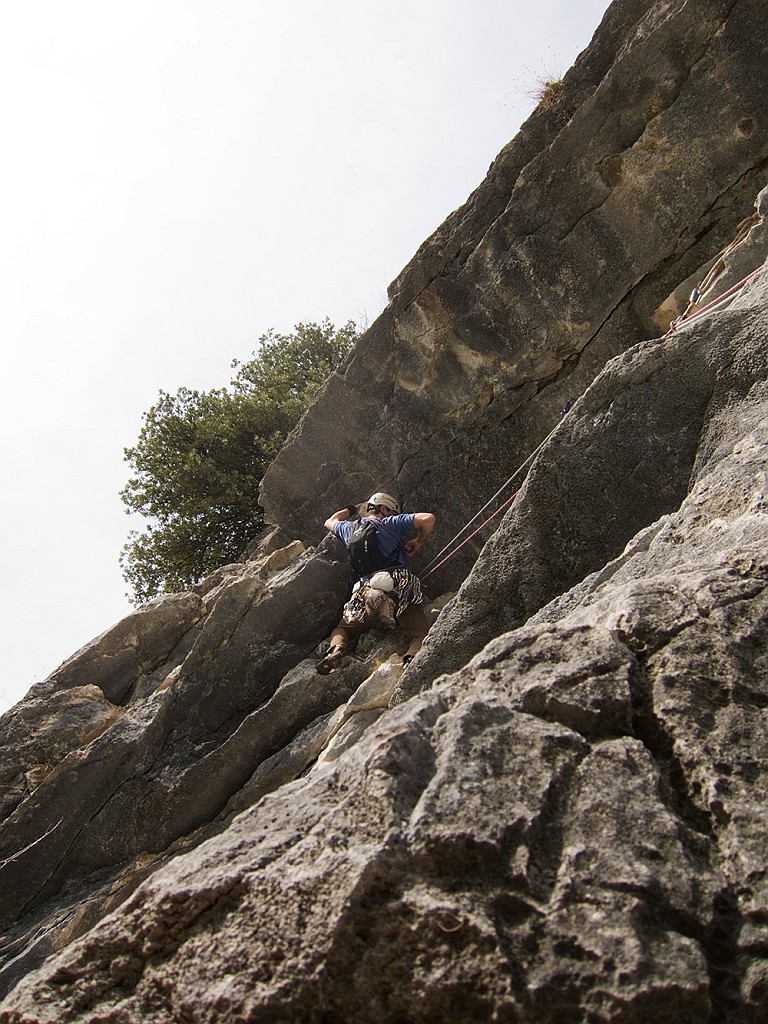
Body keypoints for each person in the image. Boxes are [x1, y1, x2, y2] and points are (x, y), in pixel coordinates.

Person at [317, 491, 435, 674]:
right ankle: (411, 660)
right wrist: (418, 541)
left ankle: (336, 650)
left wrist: (354, 508)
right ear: (384, 508)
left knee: (342, 629)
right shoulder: (391, 522)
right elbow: (428, 519)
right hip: (398, 583)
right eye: (392, 512)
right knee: (419, 633)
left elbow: (329, 521)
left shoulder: (349, 529)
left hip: (365, 590)